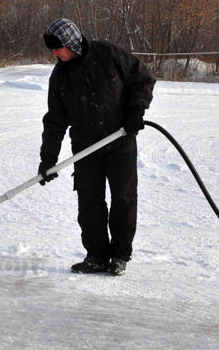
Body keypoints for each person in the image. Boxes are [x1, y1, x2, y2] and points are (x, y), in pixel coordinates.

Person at [38, 18, 155, 276]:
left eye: (58, 48)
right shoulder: (60, 76)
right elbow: (55, 120)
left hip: (120, 140)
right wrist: (48, 159)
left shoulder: (108, 54)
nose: (55, 54)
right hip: (85, 146)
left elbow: (143, 79)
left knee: (123, 199)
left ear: (71, 42)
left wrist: (136, 111)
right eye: (53, 50)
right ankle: (96, 256)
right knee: (89, 202)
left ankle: (120, 256)